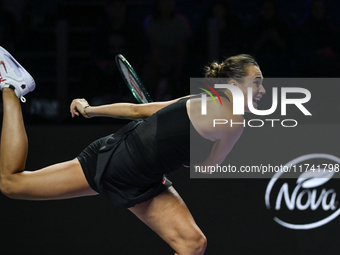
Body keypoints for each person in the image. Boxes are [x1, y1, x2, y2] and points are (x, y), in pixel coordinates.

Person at [0, 46, 265, 255]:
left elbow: (136, 110)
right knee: (12, 184)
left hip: (144, 177)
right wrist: (194, 158)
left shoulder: (198, 99)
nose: (262, 90)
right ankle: (12, 88)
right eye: (256, 82)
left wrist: (90, 110)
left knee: (192, 244)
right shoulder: (234, 122)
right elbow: (208, 167)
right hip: (116, 164)